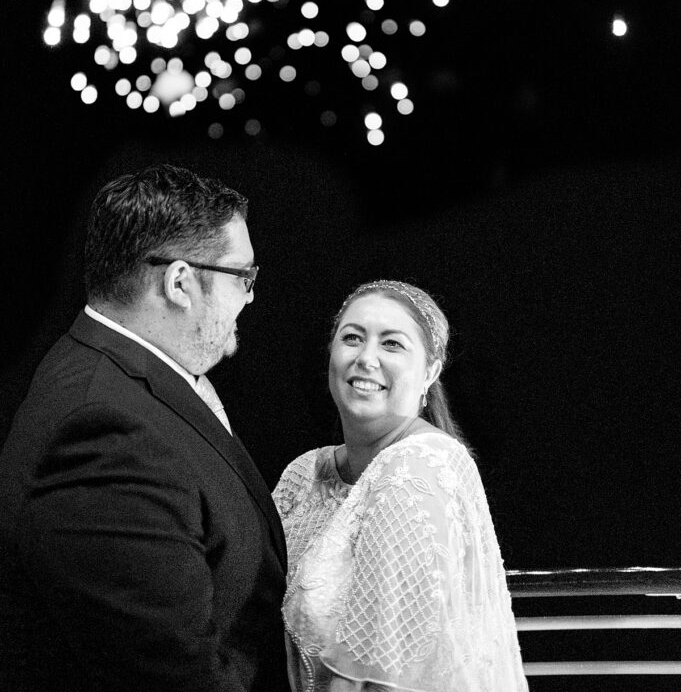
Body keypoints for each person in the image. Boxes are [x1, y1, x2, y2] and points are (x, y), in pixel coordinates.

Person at [0, 163, 289, 692]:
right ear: (180, 282)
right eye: (243, 277)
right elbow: (172, 674)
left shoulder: (114, 367)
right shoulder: (102, 431)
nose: (250, 296)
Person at [273, 280, 528, 692]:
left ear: (430, 371)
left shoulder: (418, 468)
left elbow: (387, 678)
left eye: (392, 344)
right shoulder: (304, 473)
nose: (366, 358)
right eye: (352, 338)